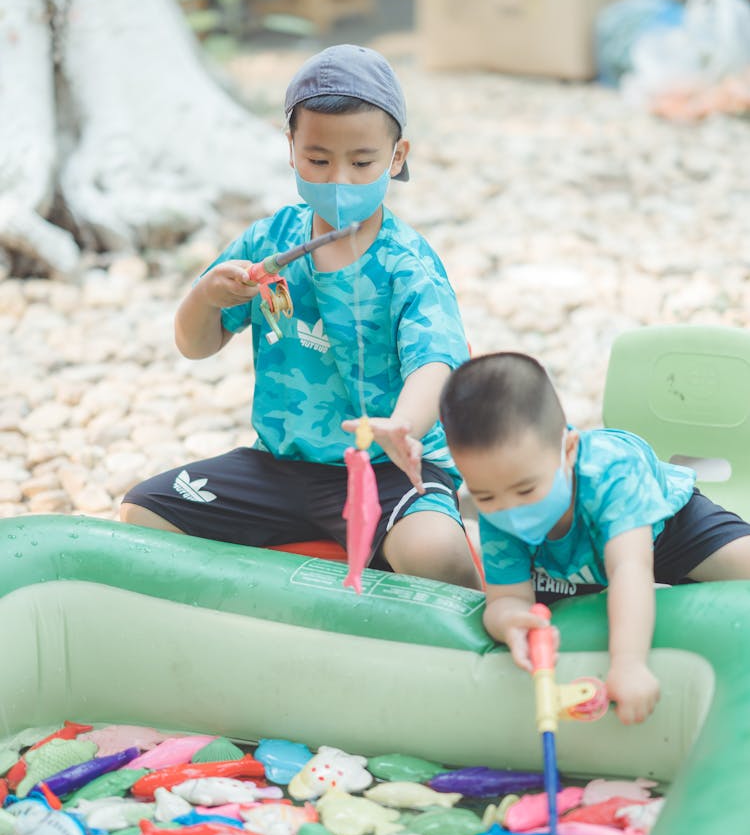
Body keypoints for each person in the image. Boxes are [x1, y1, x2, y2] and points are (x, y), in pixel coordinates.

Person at [121, 44, 481, 591]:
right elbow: (195, 345)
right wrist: (207, 300)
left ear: (398, 156)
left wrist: (402, 427)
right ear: (290, 148)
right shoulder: (270, 241)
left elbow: (437, 364)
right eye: (318, 160)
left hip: (386, 468)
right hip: (281, 467)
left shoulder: (406, 265)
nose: (340, 179)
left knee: (436, 553)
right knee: (142, 513)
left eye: (362, 163)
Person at [439, 350, 750, 724]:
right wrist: (510, 621)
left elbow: (631, 570)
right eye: (485, 496)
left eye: (526, 490)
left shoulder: (612, 473)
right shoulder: (499, 513)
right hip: (563, 566)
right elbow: (506, 599)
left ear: (568, 450)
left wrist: (629, 663)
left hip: (661, 528)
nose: (510, 510)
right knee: (562, 627)